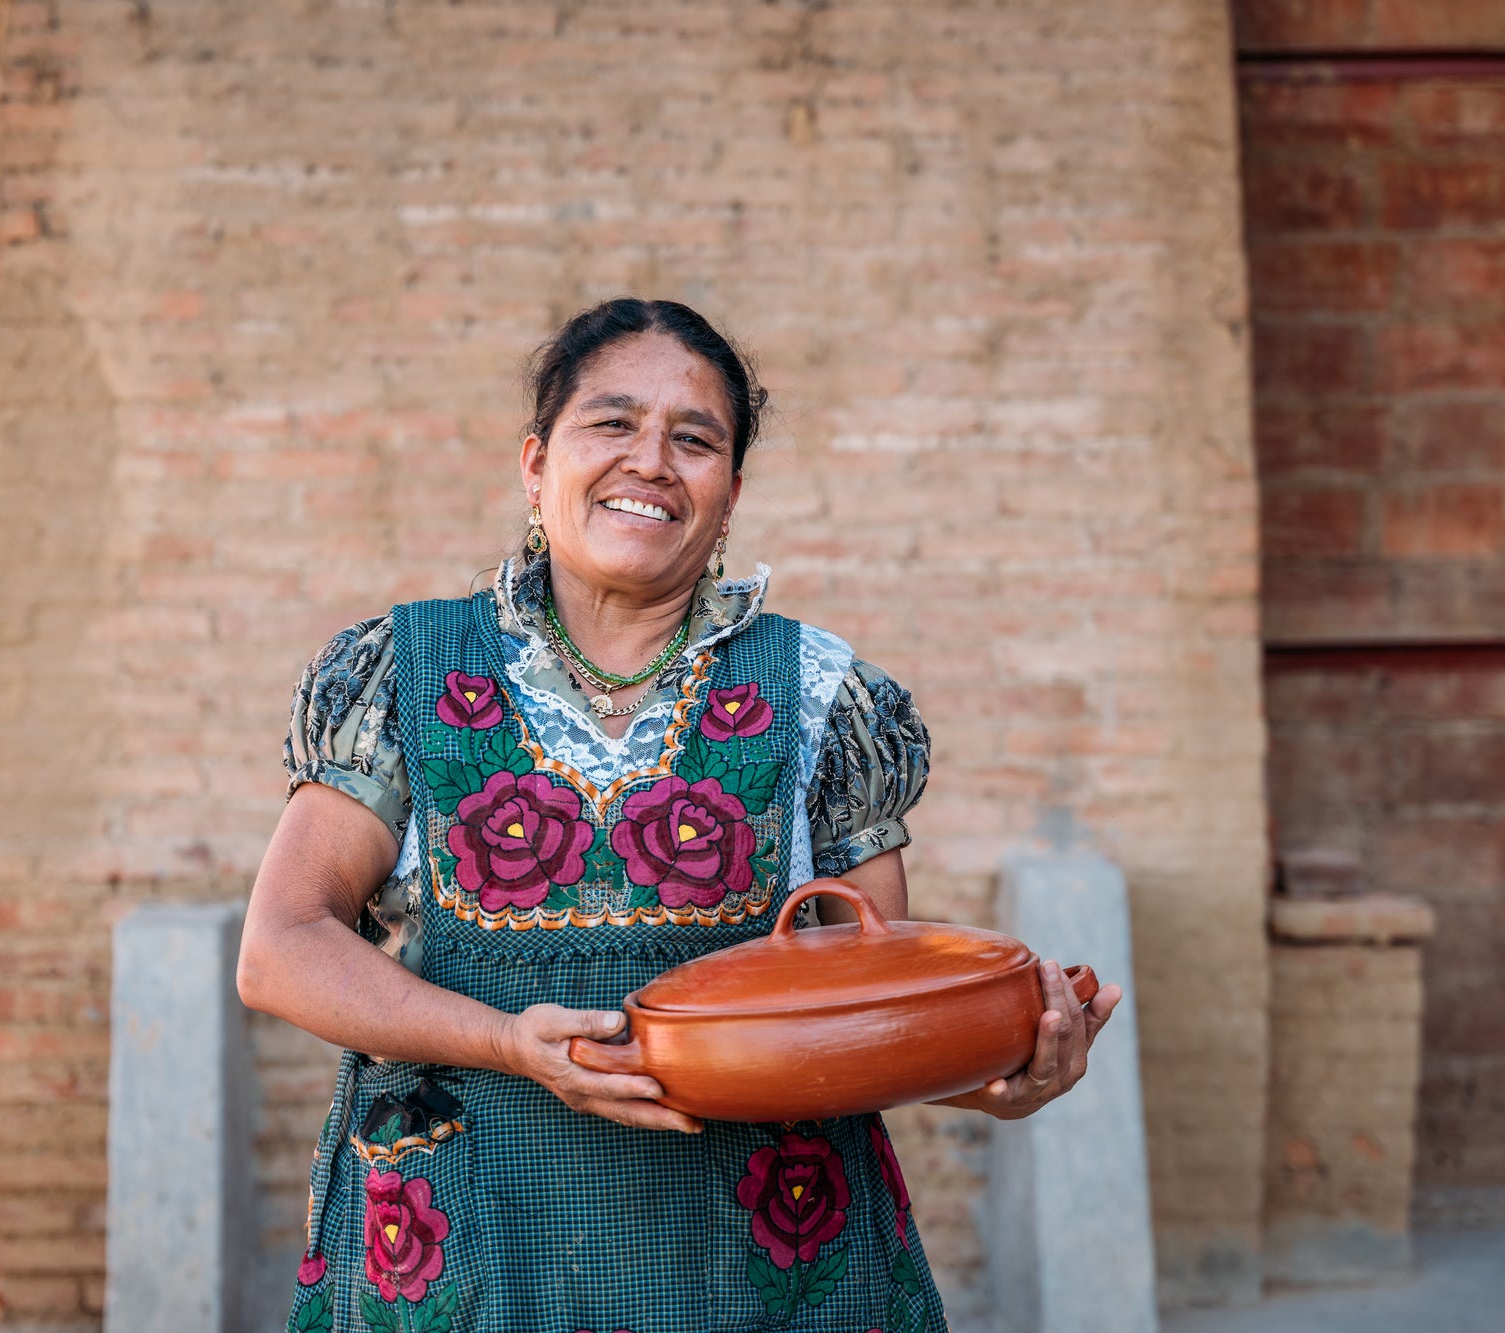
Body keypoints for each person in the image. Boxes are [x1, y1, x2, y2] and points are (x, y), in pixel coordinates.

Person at [238, 298, 1122, 1333]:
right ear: (534, 463)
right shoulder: (401, 673)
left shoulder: (818, 696)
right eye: (611, 423)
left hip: (758, 1273)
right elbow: (281, 948)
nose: (651, 460)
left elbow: (872, 1017)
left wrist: (996, 1079)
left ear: (729, 491)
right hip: (467, 1260)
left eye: (693, 439)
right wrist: (506, 1040)